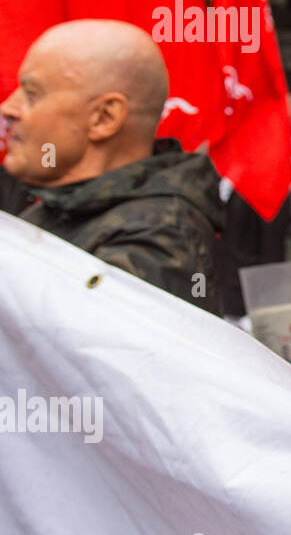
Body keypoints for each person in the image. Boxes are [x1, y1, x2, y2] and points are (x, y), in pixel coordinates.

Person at [0, 19, 223, 314]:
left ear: (104, 118)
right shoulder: (69, 209)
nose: (8, 109)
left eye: (32, 94)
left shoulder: (157, 242)